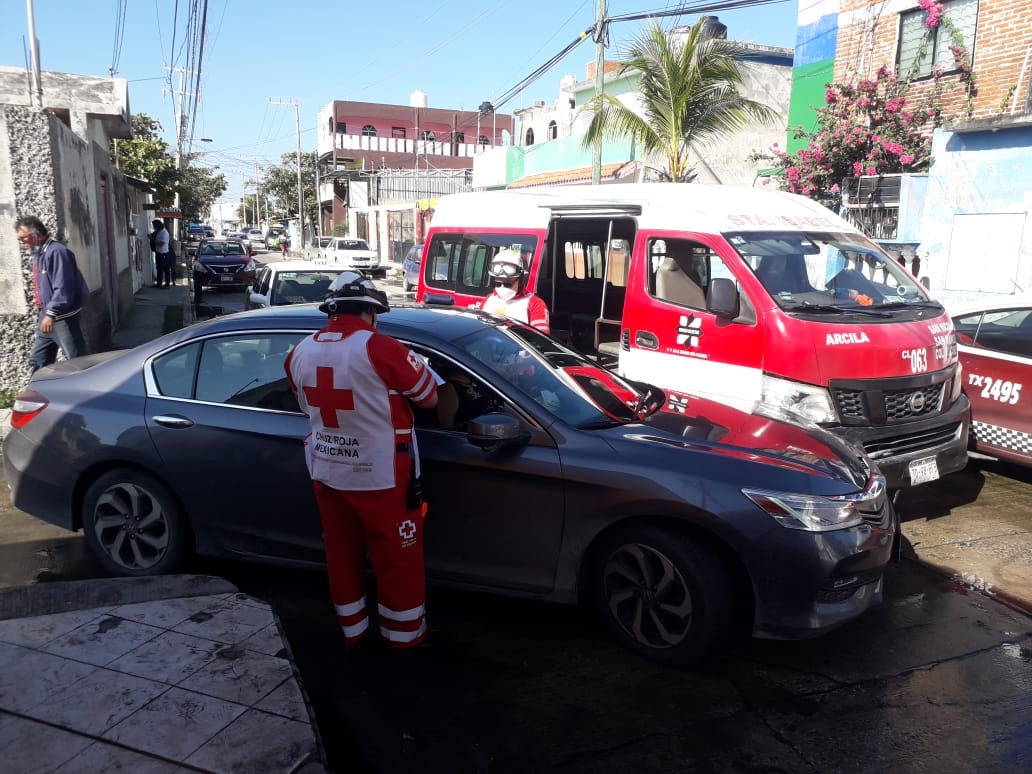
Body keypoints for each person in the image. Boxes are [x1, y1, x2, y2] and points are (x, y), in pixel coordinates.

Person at [285, 272, 439, 653]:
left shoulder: (298, 352)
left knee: (340, 554)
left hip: (326, 469)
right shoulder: (381, 348)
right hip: (381, 474)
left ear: (331, 310)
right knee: (397, 559)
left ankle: (353, 631)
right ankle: (403, 639)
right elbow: (430, 399)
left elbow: (304, 403)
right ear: (372, 312)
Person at [15, 215, 90, 372]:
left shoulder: (57, 252)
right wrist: (45, 314)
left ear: (37, 235)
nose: (22, 244)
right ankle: (41, 394)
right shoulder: (39, 253)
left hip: (62, 318)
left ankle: (86, 393)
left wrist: (51, 313)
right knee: (38, 361)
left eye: (24, 239)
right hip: (46, 316)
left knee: (78, 362)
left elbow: (64, 288)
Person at [481, 246, 550, 333]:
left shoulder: (535, 304)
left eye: (507, 284)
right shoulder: (488, 300)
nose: (502, 287)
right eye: (498, 284)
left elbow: (541, 340)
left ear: (520, 279)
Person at [151, 219, 173, 288]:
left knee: (166, 269)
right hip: (158, 253)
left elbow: (161, 244)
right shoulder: (158, 231)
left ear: (158, 226)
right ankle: (159, 283)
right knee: (159, 268)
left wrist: (153, 239)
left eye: (154, 226)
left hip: (164, 254)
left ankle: (167, 284)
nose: (153, 227)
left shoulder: (164, 233)